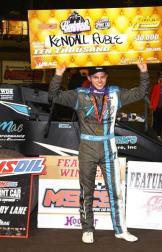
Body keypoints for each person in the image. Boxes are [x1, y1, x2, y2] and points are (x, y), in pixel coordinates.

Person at [49, 63, 149, 244]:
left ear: (107, 77)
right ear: (89, 79)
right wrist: (58, 74)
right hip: (87, 148)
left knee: (115, 190)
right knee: (87, 190)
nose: (100, 80)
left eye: (102, 77)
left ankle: (120, 230)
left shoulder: (115, 93)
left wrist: (143, 71)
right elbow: (53, 96)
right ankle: (87, 229)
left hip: (109, 146)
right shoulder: (80, 94)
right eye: (96, 77)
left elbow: (141, 92)